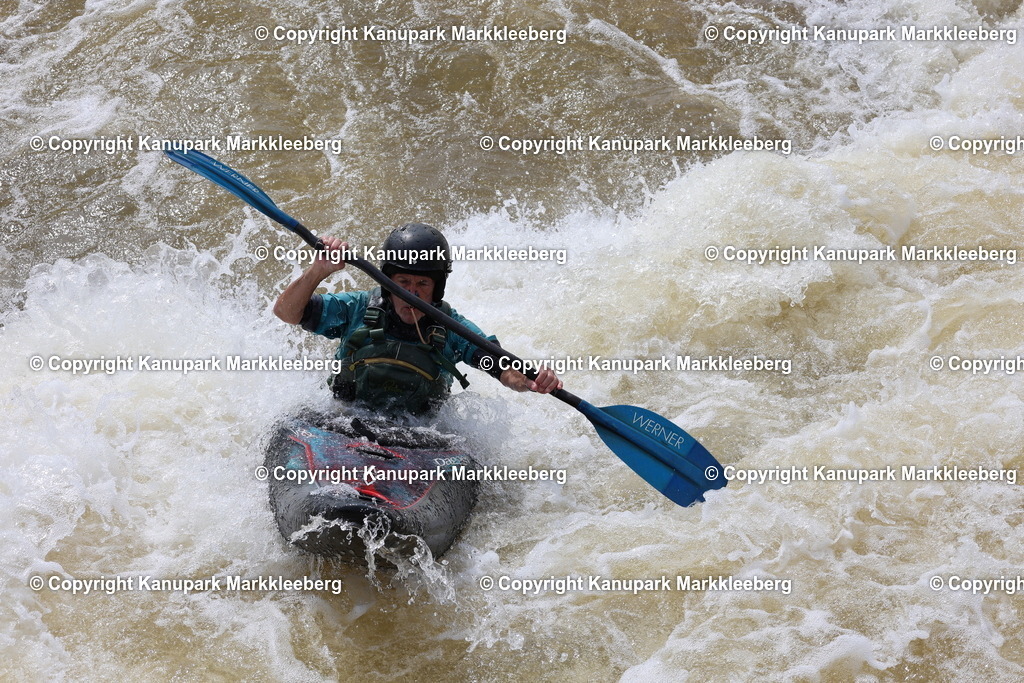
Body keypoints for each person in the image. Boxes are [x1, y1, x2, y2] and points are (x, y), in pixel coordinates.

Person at [273, 223, 562, 415]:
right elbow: (286, 313)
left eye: (422, 284)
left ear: (437, 287)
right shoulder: (356, 308)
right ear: (388, 283)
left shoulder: (452, 329)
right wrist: (317, 272)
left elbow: (503, 369)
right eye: (403, 282)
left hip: (420, 438)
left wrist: (530, 381)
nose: (411, 293)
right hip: (346, 421)